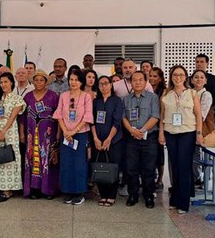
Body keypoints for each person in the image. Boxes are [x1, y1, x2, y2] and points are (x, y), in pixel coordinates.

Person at [158, 66, 203, 214]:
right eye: (175, 75)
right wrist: (161, 133)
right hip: (170, 132)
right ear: (171, 77)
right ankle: (175, 199)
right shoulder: (166, 93)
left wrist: (199, 133)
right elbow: (162, 116)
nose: (178, 77)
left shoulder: (192, 93)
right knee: (174, 166)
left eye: (181, 75)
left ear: (185, 77)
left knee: (184, 166)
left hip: (187, 132)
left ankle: (183, 203)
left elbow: (198, 115)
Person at [53, 70, 93, 205]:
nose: (73, 82)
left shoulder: (86, 96)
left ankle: (79, 192)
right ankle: (68, 191)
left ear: (81, 82)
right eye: (71, 79)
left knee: (79, 164)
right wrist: (65, 131)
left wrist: (74, 131)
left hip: (80, 135)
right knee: (66, 163)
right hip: (66, 135)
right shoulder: (64, 96)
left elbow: (88, 116)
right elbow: (58, 114)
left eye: (76, 80)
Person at [122, 71, 159, 208]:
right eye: (134, 80)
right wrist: (132, 131)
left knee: (148, 168)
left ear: (145, 82)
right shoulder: (126, 99)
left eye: (140, 80)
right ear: (131, 82)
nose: (137, 82)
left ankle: (149, 196)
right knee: (131, 168)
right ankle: (133, 195)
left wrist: (142, 131)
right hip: (131, 138)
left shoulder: (153, 97)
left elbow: (155, 117)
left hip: (149, 137)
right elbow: (123, 117)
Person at [21, 70, 60, 199]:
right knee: (32, 159)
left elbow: (59, 116)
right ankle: (34, 190)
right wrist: (22, 133)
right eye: (36, 80)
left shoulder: (53, 96)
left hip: (49, 134)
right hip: (31, 134)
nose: (38, 82)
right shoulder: (27, 96)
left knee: (48, 160)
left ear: (46, 82)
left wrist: (59, 133)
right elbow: (22, 117)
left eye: (41, 80)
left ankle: (48, 190)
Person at [0, 72, 26, 202]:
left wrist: (3, 131)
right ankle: (0, 186)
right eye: (1, 82)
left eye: (6, 82)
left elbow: (13, 117)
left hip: (10, 132)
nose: (3, 84)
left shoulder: (17, 99)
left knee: (9, 158)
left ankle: (8, 190)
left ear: (11, 83)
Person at [91, 75, 123, 206]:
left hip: (114, 140)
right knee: (99, 166)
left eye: (106, 83)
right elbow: (91, 121)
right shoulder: (95, 102)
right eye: (101, 84)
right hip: (97, 140)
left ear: (111, 85)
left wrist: (109, 139)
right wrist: (96, 139)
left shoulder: (117, 101)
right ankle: (103, 194)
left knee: (112, 167)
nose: (104, 86)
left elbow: (117, 121)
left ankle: (111, 195)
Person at [191, 70, 212, 187]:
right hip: (187, 128)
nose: (199, 79)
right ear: (192, 80)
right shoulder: (188, 93)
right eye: (196, 77)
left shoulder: (206, 95)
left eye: (201, 77)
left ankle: (197, 177)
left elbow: (202, 115)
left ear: (205, 81)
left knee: (196, 154)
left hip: (198, 128)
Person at [149, 67, 167, 190]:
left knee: (159, 154)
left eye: (155, 76)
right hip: (148, 125)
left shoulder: (164, 92)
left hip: (160, 124)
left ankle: (160, 179)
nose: (152, 78)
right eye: (150, 75)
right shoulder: (145, 89)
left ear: (160, 79)